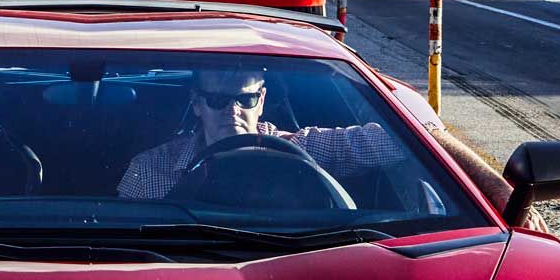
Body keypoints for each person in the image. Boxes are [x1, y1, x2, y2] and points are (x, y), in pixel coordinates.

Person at [118, 64, 535, 224]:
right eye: (217, 101)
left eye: (245, 99)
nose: (233, 111)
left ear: (261, 101)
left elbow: (420, 136)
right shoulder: (150, 170)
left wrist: (498, 191)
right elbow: (123, 247)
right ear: (196, 105)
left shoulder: (308, 151)